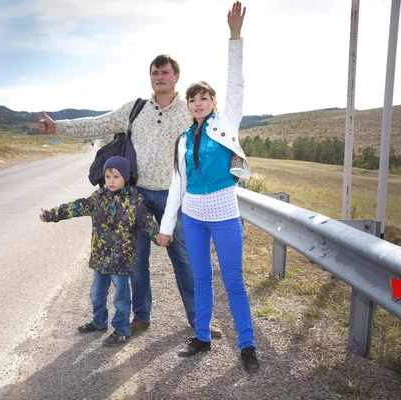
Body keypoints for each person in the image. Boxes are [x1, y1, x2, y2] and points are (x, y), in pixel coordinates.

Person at [39, 42, 223, 340]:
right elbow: (98, 124)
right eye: (154, 72)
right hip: (135, 197)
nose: (159, 76)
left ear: (176, 76)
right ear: (150, 78)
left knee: (185, 261)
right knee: (135, 262)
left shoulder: (189, 109)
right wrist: (57, 126)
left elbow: (215, 140)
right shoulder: (136, 109)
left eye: (165, 72)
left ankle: (199, 320)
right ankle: (142, 317)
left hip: (174, 198)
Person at [158, 2, 259, 372]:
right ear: (187, 105)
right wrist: (167, 227)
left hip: (225, 215)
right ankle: (201, 337)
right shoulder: (183, 140)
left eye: (204, 98)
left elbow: (237, 82)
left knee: (233, 280)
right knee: (201, 280)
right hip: (194, 219)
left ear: (214, 102)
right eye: (193, 98)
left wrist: (235, 37)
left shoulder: (226, 124)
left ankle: (247, 345)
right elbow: (176, 187)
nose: (198, 102)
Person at [39, 156, 164, 346]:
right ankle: (99, 322)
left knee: (120, 298)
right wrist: (51, 215)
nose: (111, 181)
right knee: (96, 293)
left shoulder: (135, 201)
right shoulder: (98, 198)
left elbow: (147, 224)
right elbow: (76, 207)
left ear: (126, 178)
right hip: (101, 258)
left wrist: (158, 236)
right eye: (107, 176)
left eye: (116, 176)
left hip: (122, 260)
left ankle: (121, 330)